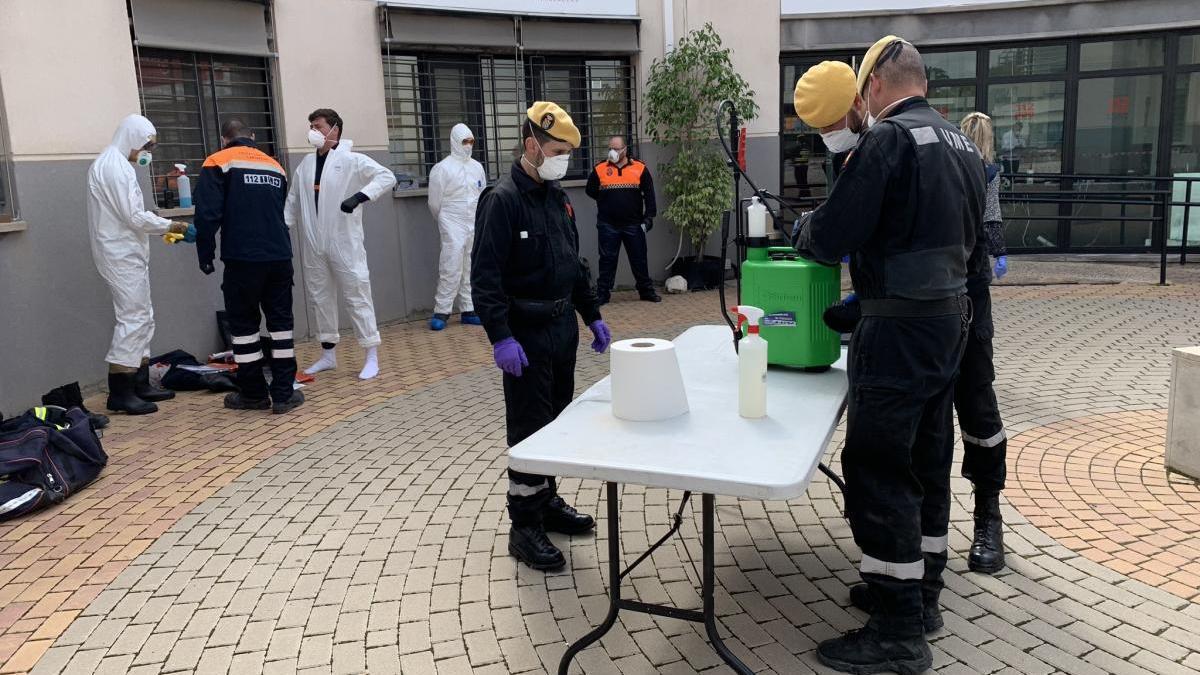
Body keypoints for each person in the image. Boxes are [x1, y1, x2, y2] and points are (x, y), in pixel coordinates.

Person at [795, 36, 984, 673]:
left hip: (900, 337)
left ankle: (899, 633)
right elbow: (942, 242)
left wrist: (805, 230)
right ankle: (918, 591)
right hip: (946, 325)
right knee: (928, 457)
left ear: (873, 85)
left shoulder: (888, 140)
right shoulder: (960, 143)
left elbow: (834, 234)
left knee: (878, 469)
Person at [472, 102, 611, 571]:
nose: (562, 159)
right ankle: (524, 525)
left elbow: (574, 263)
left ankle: (547, 500)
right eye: (555, 150)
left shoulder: (557, 197)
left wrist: (590, 314)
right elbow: (485, 276)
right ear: (532, 145)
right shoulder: (502, 199)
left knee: (555, 424)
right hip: (525, 335)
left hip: (560, 330)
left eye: (568, 152)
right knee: (529, 430)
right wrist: (499, 336)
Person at [193, 119, 303, 414]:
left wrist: (205, 253)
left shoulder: (217, 161)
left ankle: (253, 394)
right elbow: (278, 210)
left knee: (244, 329)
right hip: (279, 256)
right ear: (252, 136)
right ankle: (283, 394)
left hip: (243, 259)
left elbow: (207, 214)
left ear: (224, 138)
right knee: (281, 327)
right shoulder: (275, 165)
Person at [86, 114, 190, 415]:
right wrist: (174, 227)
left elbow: (132, 218)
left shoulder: (119, 165)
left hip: (128, 252)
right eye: (147, 146)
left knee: (143, 315)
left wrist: (166, 229)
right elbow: (134, 216)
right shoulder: (113, 167)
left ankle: (140, 382)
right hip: (118, 254)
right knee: (132, 317)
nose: (148, 153)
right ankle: (120, 390)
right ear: (132, 138)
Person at [286, 108, 397, 380]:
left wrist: (360, 196)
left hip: (344, 242)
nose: (313, 131)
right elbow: (292, 201)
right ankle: (328, 355)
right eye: (311, 126)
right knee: (320, 297)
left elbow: (386, 176)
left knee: (357, 293)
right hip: (314, 243)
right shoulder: (305, 166)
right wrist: (282, 228)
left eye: (319, 126)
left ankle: (371, 355)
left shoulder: (351, 160)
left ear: (335, 129)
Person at [955, 111, 1009, 572]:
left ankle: (988, 516)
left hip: (970, 300)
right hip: (927, 303)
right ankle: (919, 530)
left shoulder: (985, 173)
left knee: (978, 410)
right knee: (926, 421)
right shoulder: (934, 162)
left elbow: (991, 222)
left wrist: (997, 253)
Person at [791, 60, 867, 335]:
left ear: (857, 102)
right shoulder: (844, 154)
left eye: (830, 125)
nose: (826, 135)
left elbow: (828, 234)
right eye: (819, 127)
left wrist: (807, 229)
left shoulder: (878, 147)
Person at [585, 136, 661, 304]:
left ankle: (646, 291)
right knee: (607, 261)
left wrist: (649, 217)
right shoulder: (600, 169)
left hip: (633, 224)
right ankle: (603, 294)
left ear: (625, 149)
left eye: (617, 148)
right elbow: (590, 190)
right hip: (608, 225)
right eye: (610, 148)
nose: (613, 152)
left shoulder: (640, 168)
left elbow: (649, 195)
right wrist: (605, 199)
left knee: (639, 258)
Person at [427, 123, 487, 330]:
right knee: (450, 265)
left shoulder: (477, 167)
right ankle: (442, 311)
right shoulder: (442, 169)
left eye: (471, 141)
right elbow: (434, 203)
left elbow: (482, 194)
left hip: (473, 221)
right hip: (452, 220)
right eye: (464, 141)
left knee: (471, 264)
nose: (468, 145)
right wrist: (445, 221)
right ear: (454, 141)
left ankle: (469, 308)